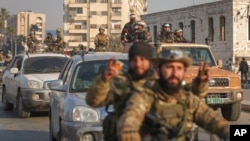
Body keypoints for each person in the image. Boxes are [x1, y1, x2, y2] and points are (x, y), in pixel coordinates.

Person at [86, 42, 209, 141]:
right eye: (134, 60)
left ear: (150, 61)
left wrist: (200, 83)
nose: (138, 64)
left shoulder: (161, 81)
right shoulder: (120, 83)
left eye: (142, 59)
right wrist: (103, 80)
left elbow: (191, 95)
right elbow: (94, 101)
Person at [117, 51, 229, 141]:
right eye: (169, 67)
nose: (175, 73)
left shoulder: (188, 99)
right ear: (158, 70)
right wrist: (129, 132)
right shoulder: (144, 96)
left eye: (179, 68)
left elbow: (214, 121)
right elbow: (130, 119)